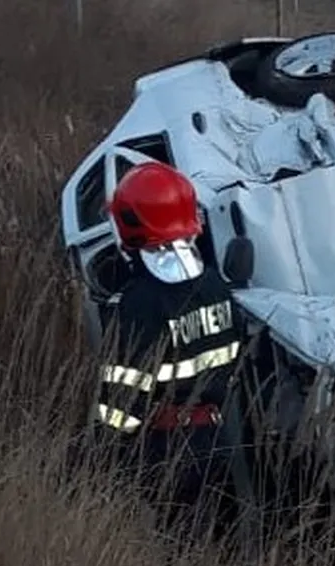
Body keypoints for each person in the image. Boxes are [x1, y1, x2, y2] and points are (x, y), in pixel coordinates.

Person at [91, 161, 251, 543]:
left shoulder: (141, 303)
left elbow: (122, 400)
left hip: (165, 452)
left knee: (174, 554)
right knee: (217, 550)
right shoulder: (216, 286)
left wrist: (102, 456)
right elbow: (234, 354)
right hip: (216, 443)